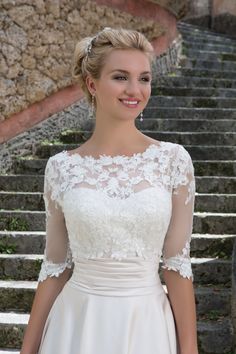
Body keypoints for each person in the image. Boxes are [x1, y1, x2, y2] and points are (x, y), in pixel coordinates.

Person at [21, 27, 198, 354]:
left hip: (146, 326)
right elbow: (55, 267)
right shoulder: (61, 168)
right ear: (92, 84)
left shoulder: (173, 161)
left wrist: (189, 350)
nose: (135, 89)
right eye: (120, 77)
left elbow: (177, 265)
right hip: (75, 325)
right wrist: (28, 350)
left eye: (144, 78)